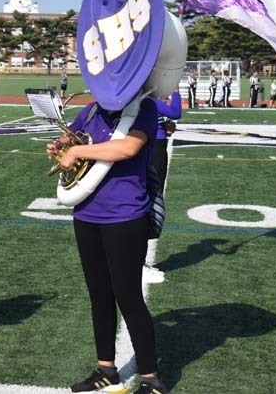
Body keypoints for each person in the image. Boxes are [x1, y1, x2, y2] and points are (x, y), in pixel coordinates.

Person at [47, 98, 167, 394]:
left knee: (128, 297)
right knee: (99, 295)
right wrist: (60, 144)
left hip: (124, 215)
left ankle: (151, 379)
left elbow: (126, 148)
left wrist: (76, 150)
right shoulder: (90, 109)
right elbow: (71, 135)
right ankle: (107, 370)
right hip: (86, 213)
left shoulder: (145, 107)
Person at [143, 89, 182, 284]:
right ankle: (138, 263)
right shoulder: (149, 98)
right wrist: (176, 92)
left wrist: (162, 123)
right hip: (155, 148)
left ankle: (139, 261)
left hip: (154, 145)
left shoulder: (148, 99)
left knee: (150, 199)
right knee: (151, 200)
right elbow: (175, 112)